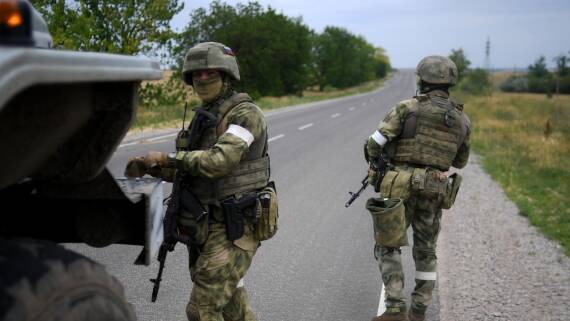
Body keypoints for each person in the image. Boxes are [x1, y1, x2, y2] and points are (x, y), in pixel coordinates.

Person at [125, 42, 271, 321]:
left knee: (202, 309)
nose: (202, 79)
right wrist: (152, 166)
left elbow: (219, 162)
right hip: (205, 226)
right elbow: (191, 170)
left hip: (235, 226)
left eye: (210, 73)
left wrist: (168, 158)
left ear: (226, 74)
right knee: (232, 307)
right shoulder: (204, 117)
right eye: (196, 74)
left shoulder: (245, 114)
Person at [366, 56, 471, 321]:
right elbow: (460, 161)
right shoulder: (462, 120)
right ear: (450, 83)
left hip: (400, 186)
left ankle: (394, 308)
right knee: (426, 251)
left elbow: (374, 143)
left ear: (422, 80)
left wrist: (380, 159)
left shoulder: (406, 108)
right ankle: (419, 311)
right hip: (435, 189)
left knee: (388, 246)